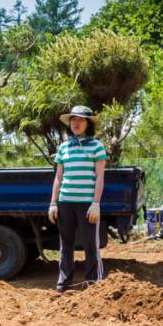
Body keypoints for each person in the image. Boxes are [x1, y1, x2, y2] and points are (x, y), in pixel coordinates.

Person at [48, 105, 108, 293]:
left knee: (91, 244)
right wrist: (53, 203)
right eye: (73, 119)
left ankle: (93, 284)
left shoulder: (97, 147)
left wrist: (96, 204)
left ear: (88, 124)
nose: (76, 122)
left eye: (81, 120)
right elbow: (58, 177)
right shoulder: (64, 148)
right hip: (65, 203)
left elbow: (100, 177)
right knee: (66, 245)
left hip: (87, 204)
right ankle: (64, 284)